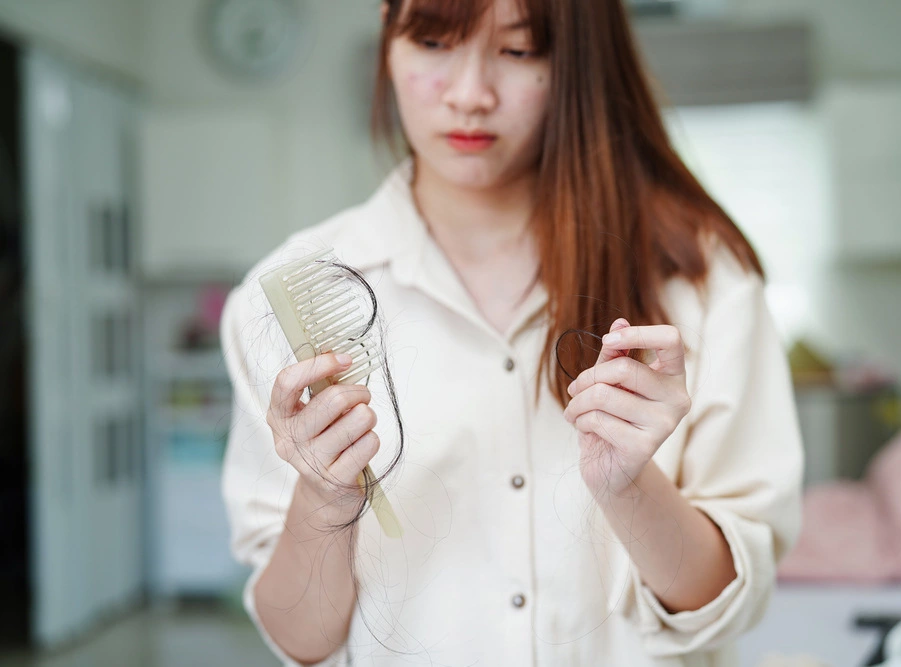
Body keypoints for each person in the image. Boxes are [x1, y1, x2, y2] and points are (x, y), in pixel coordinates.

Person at [219, 0, 803, 665]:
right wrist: (324, 497)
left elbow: (728, 605)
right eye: (434, 43)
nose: (471, 95)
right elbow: (299, 638)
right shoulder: (282, 302)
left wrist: (630, 488)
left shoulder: (702, 281)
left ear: (576, 61)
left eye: (520, 51)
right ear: (389, 33)